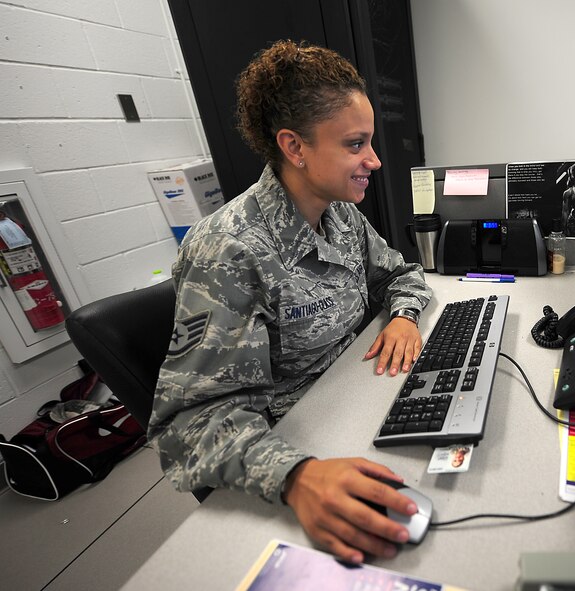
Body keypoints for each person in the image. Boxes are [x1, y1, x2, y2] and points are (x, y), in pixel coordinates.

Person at [148, 40, 432, 565]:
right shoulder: (229, 249)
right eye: (355, 144)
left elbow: (401, 274)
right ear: (295, 147)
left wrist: (403, 316)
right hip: (296, 442)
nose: (374, 160)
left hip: (359, 394)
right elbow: (189, 427)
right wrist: (296, 477)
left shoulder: (340, 213)